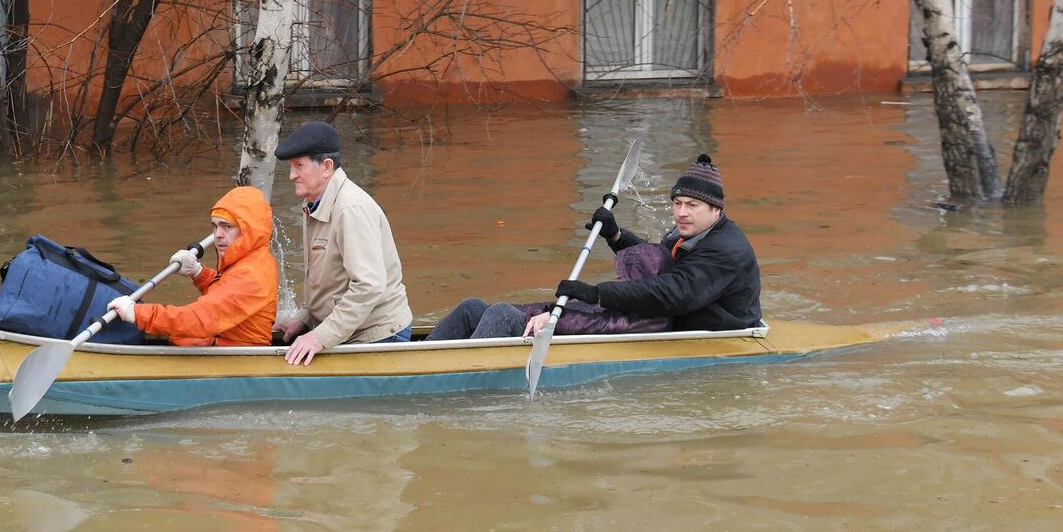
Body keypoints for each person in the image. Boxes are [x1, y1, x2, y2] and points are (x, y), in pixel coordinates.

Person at [543, 153, 762, 333]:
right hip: (677, 317)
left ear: (716, 210)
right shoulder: (689, 231)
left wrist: (598, 294)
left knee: (586, 314)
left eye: (692, 205)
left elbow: (673, 292)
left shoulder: (726, 250)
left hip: (719, 331)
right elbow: (658, 264)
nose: (682, 213)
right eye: (677, 203)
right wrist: (616, 236)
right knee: (555, 311)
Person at [271, 121, 413, 365]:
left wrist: (318, 337)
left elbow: (368, 286)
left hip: (380, 336)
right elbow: (331, 282)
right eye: (291, 167)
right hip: (351, 330)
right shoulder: (315, 202)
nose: (292, 175)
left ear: (326, 167)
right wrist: (305, 319)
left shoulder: (351, 209)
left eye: (299, 166)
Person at [107, 186, 277, 347]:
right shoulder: (252, 259)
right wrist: (199, 272)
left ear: (249, 231)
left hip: (239, 360)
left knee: (186, 336)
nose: (217, 234)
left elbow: (200, 319)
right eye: (215, 226)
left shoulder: (251, 275)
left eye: (227, 226)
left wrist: (138, 313)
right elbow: (226, 292)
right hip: (229, 343)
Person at [426, 242, 670, 341]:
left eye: (625, 276)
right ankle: (420, 358)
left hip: (548, 331)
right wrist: (542, 309)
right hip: (539, 321)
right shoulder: (630, 297)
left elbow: (593, 324)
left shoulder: (647, 318)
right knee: (472, 306)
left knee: (501, 312)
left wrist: (552, 316)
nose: (620, 280)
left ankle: (456, 371)